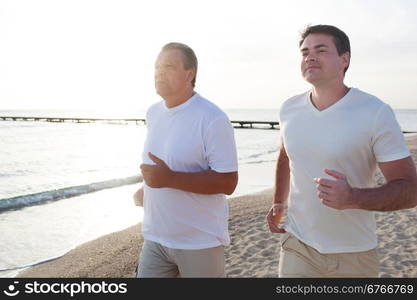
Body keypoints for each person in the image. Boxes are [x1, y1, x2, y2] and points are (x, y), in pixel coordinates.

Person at [266, 24, 417, 277]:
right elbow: (286, 153)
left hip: (354, 254)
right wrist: (279, 202)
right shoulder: (288, 109)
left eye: (321, 50)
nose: (309, 56)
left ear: (344, 60)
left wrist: (352, 197)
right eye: (304, 52)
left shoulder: (374, 112)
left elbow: (411, 190)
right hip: (298, 245)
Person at [133, 42, 238, 277]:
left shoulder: (212, 118)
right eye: (157, 66)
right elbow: (168, 160)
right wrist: (146, 189)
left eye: (168, 66)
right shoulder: (153, 113)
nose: (159, 72)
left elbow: (228, 182)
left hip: (199, 241)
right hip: (155, 238)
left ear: (189, 74)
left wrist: (168, 179)